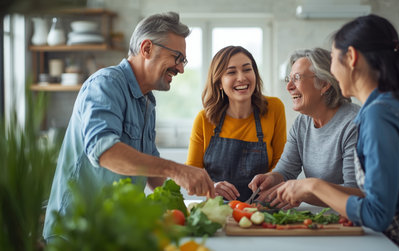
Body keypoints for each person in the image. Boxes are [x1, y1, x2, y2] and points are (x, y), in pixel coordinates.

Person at [274, 15, 399, 250]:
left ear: (352, 57)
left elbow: (377, 213)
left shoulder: (379, 114)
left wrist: (312, 186)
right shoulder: (394, 103)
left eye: (333, 59)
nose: (332, 71)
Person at [43, 12, 215, 241]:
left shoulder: (147, 102)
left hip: (115, 233)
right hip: (76, 235)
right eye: (177, 57)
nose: (181, 68)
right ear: (146, 49)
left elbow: (154, 178)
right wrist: (178, 170)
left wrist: (200, 187)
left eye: (183, 61)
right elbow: (105, 152)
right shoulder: (106, 84)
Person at [249, 48, 361, 207]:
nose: (289, 86)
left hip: (349, 219)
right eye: (289, 78)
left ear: (324, 83)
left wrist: (305, 192)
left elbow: (355, 191)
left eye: (296, 78)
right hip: (320, 218)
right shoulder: (302, 123)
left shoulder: (353, 123)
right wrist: (272, 178)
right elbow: (286, 171)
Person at [186, 46, 287, 201]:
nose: (241, 78)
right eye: (231, 72)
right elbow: (191, 178)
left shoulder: (274, 108)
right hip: (218, 212)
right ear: (219, 82)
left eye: (247, 69)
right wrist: (210, 188)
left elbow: (282, 166)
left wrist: (271, 183)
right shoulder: (204, 119)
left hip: (261, 210)